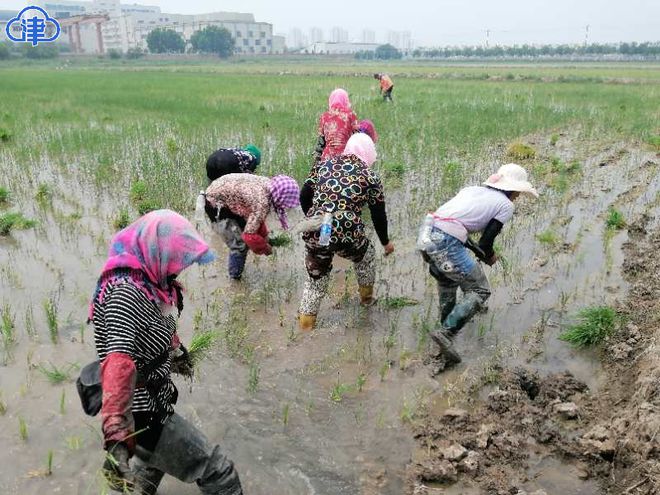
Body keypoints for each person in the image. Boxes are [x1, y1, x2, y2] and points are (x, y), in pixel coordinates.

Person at [89, 209, 243, 495]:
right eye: (176, 259)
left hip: (154, 401)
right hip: (140, 411)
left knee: (152, 468)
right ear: (155, 249)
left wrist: (177, 354)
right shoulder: (126, 292)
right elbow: (118, 364)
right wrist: (117, 435)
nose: (180, 267)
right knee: (218, 470)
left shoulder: (152, 281)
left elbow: (156, 326)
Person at [419, 163, 539, 366]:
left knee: (447, 281)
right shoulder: (506, 205)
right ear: (513, 189)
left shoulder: (472, 190)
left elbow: (456, 226)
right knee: (480, 289)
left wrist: (480, 252)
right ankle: (446, 333)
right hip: (447, 240)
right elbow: (485, 241)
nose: (518, 197)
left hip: (427, 234)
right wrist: (489, 256)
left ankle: (446, 330)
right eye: (518, 192)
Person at [298, 133, 394, 330]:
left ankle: (306, 327)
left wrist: (312, 215)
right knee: (365, 256)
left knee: (315, 280)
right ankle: (366, 299)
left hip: (317, 226)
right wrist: (385, 242)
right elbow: (378, 215)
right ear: (368, 152)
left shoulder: (324, 164)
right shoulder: (369, 175)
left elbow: (304, 194)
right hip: (345, 229)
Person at [204, 173, 300, 261]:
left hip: (219, 189)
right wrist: (265, 248)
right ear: (280, 197)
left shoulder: (269, 184)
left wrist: (264, 236)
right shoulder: (262, 203)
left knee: (248, 225)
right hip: (214, 203)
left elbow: (257, 218)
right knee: (240, 245)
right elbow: (249, 236)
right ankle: (235, 276)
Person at [200, 144, 261, 280]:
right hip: (224, 166)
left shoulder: (238, 153)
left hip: (212, 160)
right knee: (239, 244)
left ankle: (216, 211)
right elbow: (242, 188)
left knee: (214, 191)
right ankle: (235, 276)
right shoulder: (251, 161)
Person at [313, 88, 359, 165]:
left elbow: (321, 143)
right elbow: (357, 138)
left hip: (327, 159)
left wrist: (317, 164)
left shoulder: (324, 116)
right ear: (346, 100)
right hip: (346, 159)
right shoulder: (351, 115)